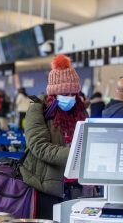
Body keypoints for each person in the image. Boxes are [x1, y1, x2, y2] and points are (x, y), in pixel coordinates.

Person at [20, 54, 87, 219]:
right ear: (54, 93)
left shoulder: (79, 110)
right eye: (65, 93)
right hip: (46, 186)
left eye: (73, 93)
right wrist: (75, 155)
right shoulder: (39, 109)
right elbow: (39, 146)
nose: (70, 98)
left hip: (76, 187)